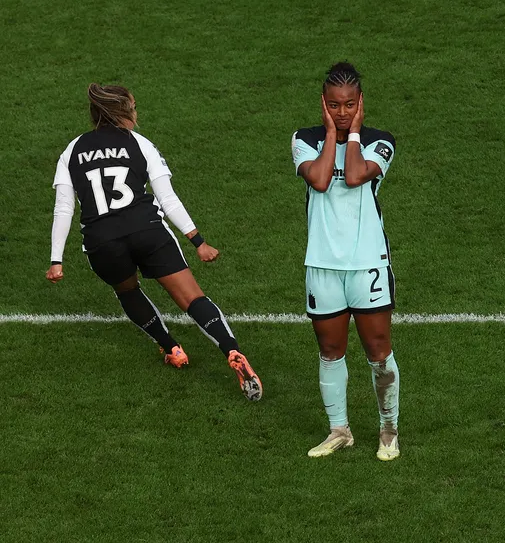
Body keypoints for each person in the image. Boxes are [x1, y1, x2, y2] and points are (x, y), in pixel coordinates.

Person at [46, 84, 263, 400]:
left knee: (128, 290)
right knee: (191, 298)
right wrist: (198, 241)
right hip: (147, 231)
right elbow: (168, 198)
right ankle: (231, 351)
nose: (136, 111)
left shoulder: (73, 150)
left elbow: (64, 207)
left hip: (102, 242)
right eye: (132, 106)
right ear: (121, 112)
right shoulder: (139, 144)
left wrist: (56, 260)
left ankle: (171, 347)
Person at [292, 62, 400, 460]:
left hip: (367, 262)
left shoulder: (379, 141)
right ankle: (340, 430)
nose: (341, 112)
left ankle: (388, 429)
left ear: (360, 104)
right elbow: (320, 179)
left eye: (349, 105)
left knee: (377, 349)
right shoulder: (304, 139)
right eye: (334, 105)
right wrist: (330, 136)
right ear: (323, 103)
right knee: (330, 350)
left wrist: (351, 134)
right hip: (321, 264)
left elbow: (354, 176)